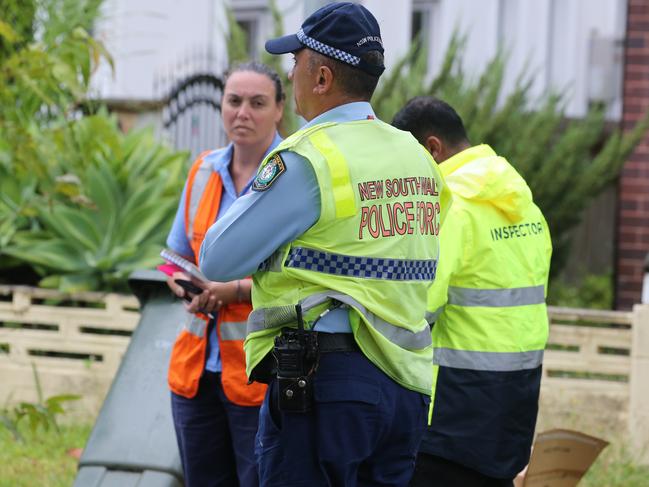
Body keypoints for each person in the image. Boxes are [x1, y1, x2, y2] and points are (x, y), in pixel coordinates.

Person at [198, 3, 451, 485]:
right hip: (407, 386)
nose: (290, 74)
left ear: (322, 77)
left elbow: (217, 257)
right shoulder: (416, 156)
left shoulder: (310, 157)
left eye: (296, 62)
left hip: (326, 386)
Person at [392, 96, 552, 487]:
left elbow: (413, 309)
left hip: (451, 412)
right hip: (516, 404)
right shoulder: (523, 203)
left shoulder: (450, 206)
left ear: (433, 148)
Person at [164, 61, 285, 487]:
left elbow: (302, 277)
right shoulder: (202, 171)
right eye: (234, 101)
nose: (243, 113)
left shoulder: (294, 178)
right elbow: (173, 256)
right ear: (221, 106)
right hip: (196, 372)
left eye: (257, 103)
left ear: (279, 110)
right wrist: (182, 283)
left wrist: (232, 290)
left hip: (261, 376)